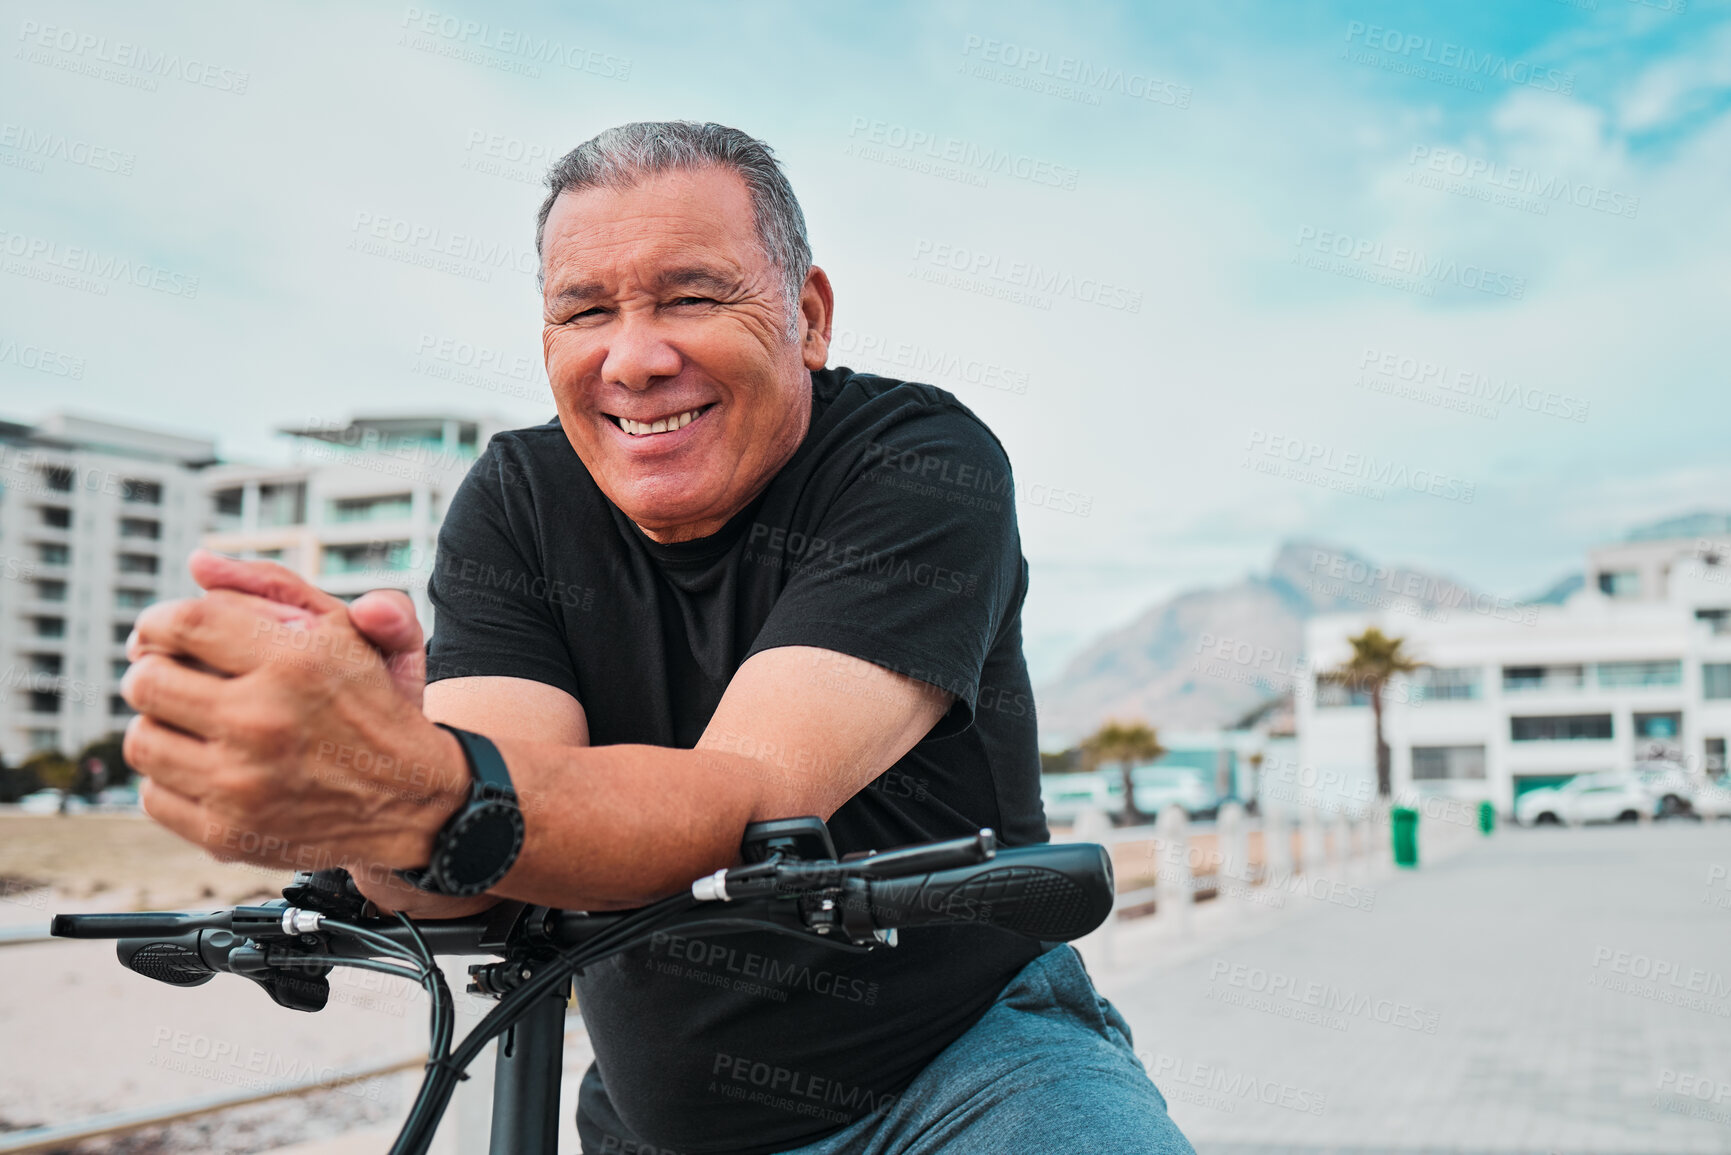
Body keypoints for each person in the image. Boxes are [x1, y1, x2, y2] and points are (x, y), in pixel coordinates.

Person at [121, 121, 1193, 1155]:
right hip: (649, 1117)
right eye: (584, 311)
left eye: (691, 295)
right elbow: (469, 854)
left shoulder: (921, 461)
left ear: (808, 317)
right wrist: (353, 797)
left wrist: (415, 787)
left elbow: (749, 799)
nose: (633, 360)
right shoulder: (518, 499)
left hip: (970, 1074)